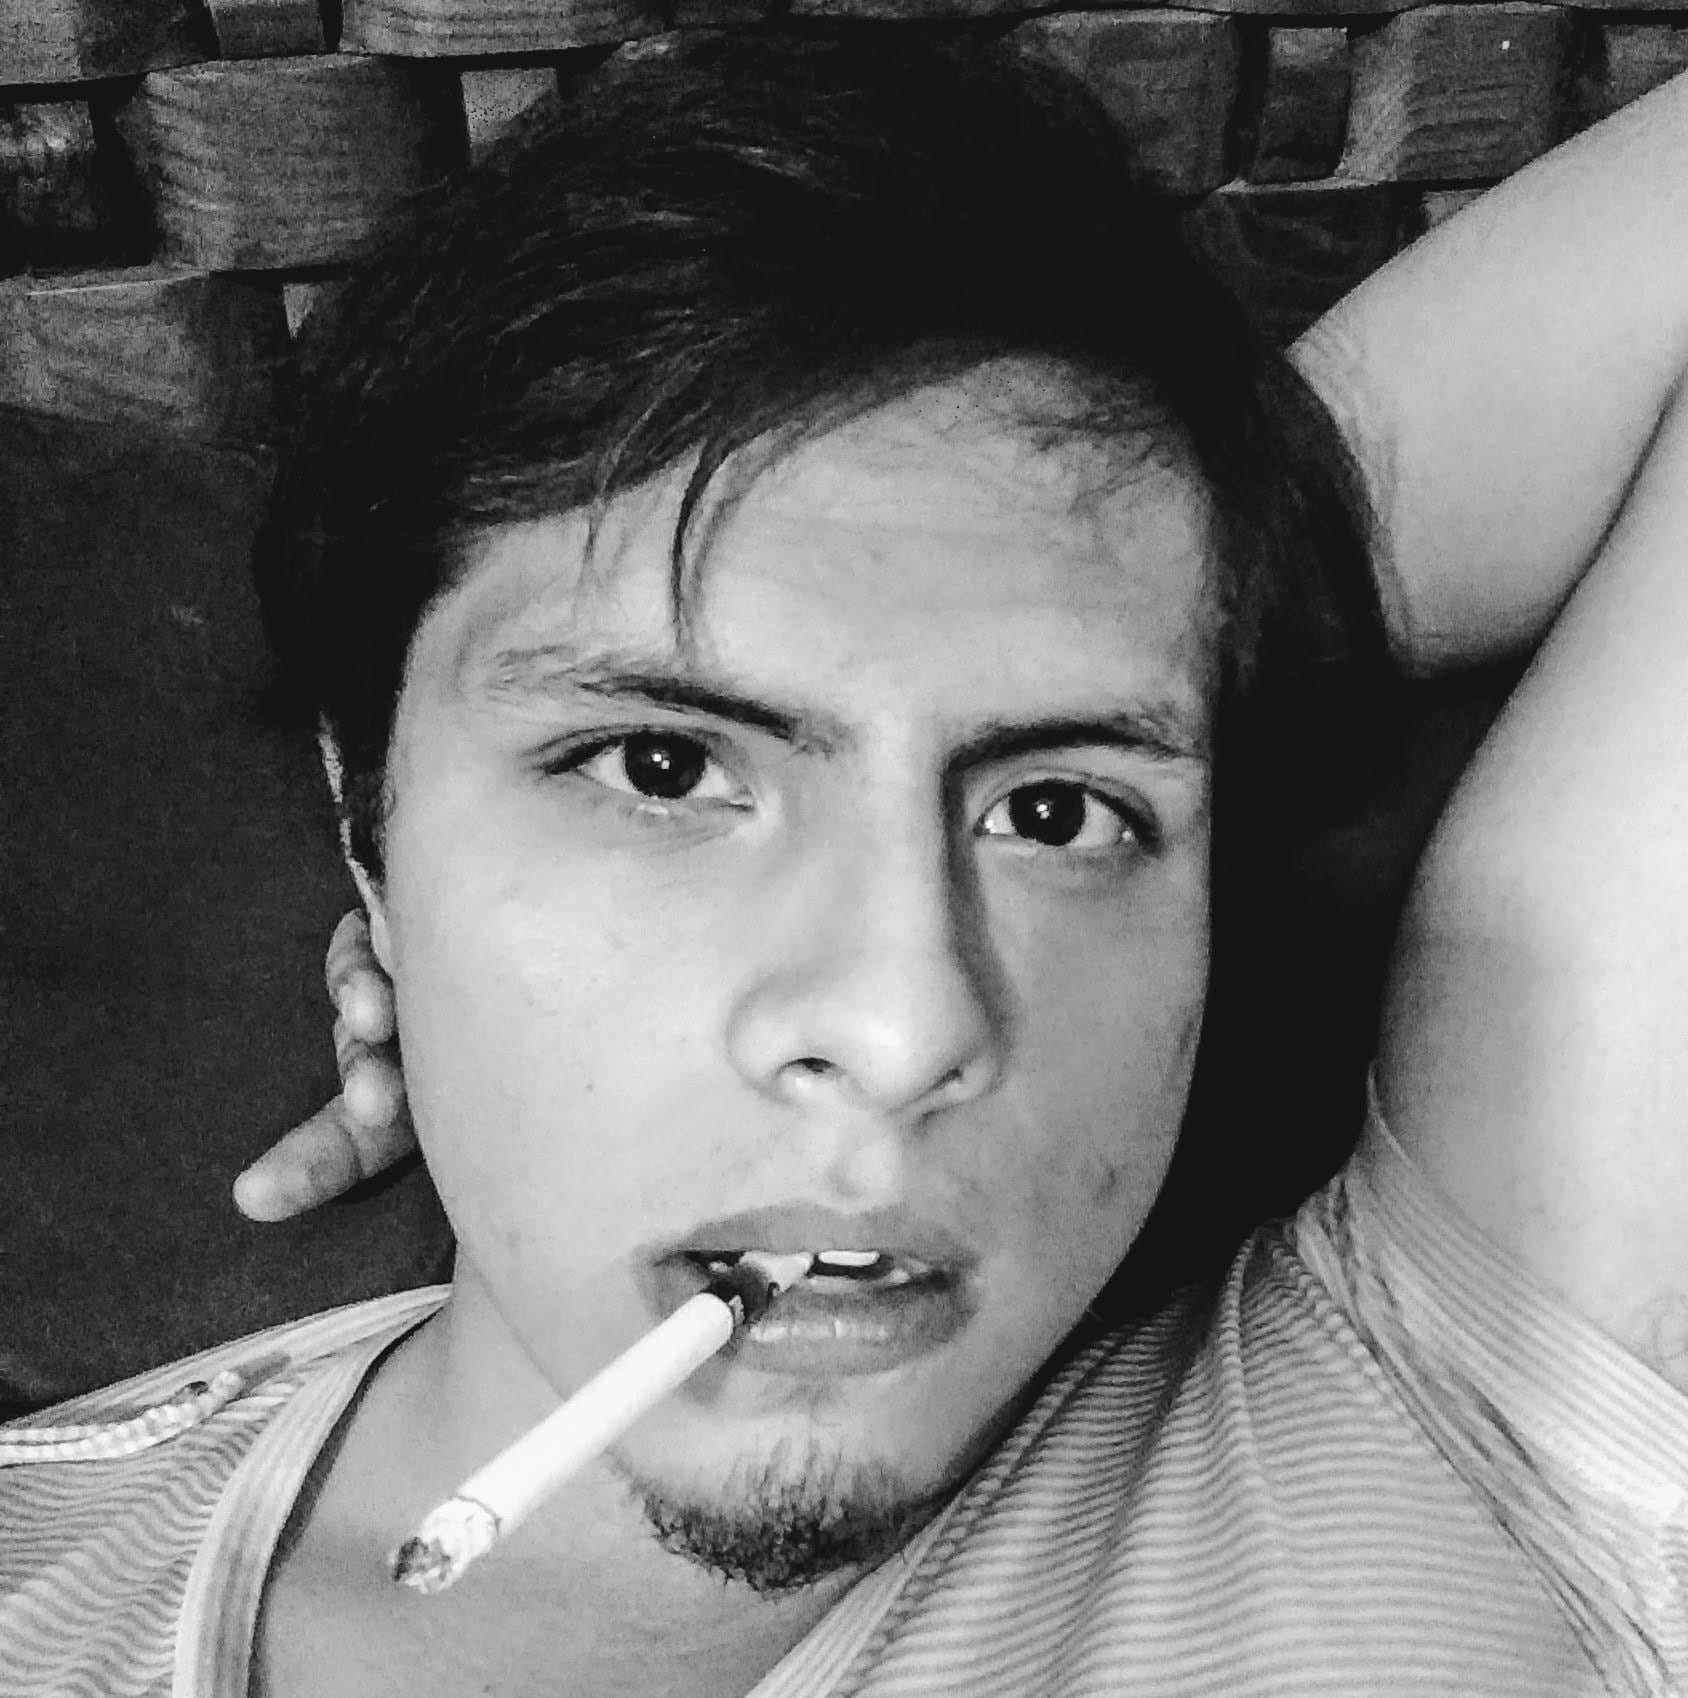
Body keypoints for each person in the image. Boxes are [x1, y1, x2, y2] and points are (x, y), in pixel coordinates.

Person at [6, 30, 1688, 1697]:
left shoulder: (1444, 1422)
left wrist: (1170, 559)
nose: (902, 1023)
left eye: (1056, 811)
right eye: (662, 768)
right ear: (366, 818)